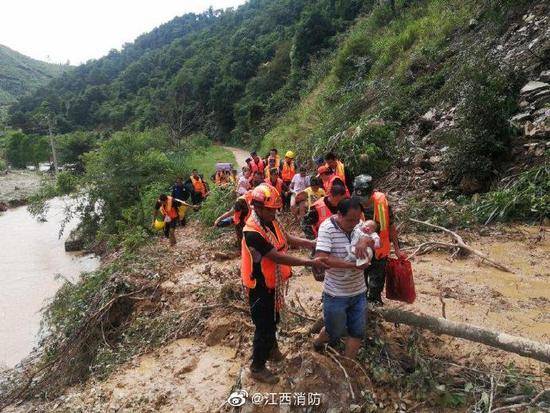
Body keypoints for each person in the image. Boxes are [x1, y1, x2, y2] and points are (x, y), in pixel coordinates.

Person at [241, 184, 328, 383]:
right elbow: (276, 256)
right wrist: (309, 262)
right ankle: (257, 366)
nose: (274, 213)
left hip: (273, 283)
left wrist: (311, 243)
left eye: (275, 210)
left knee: (273, 319)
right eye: (270, 210)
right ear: (258, 208)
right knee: (263, 327)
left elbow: (286, 238)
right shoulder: (252, 232)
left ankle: (272, 350)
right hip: (259, 286)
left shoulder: (271, 222)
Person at [312, 197, 369, 358]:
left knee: (357, 331)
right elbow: (322, 259)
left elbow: (372, 230)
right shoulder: (327, 228)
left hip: (358, 291)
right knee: (334, 331)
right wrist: (352, 265)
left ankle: (348, 367)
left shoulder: (358, 224)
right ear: (339, 215)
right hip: (336, 293)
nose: (354, 224)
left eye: (357, 220)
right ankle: (318, 343)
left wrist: (365, 240)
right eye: (350, 220)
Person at [352, 174, 406, 306]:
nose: (362, 201)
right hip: (361, 251)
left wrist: (397, 249)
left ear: (372, 192)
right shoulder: (353, 204)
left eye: (364, 197)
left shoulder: (382, 202)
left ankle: (375, 304)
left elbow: (390, 226)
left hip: (380, 250)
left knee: (376, 283)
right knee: (360, 283)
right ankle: (361, 308)